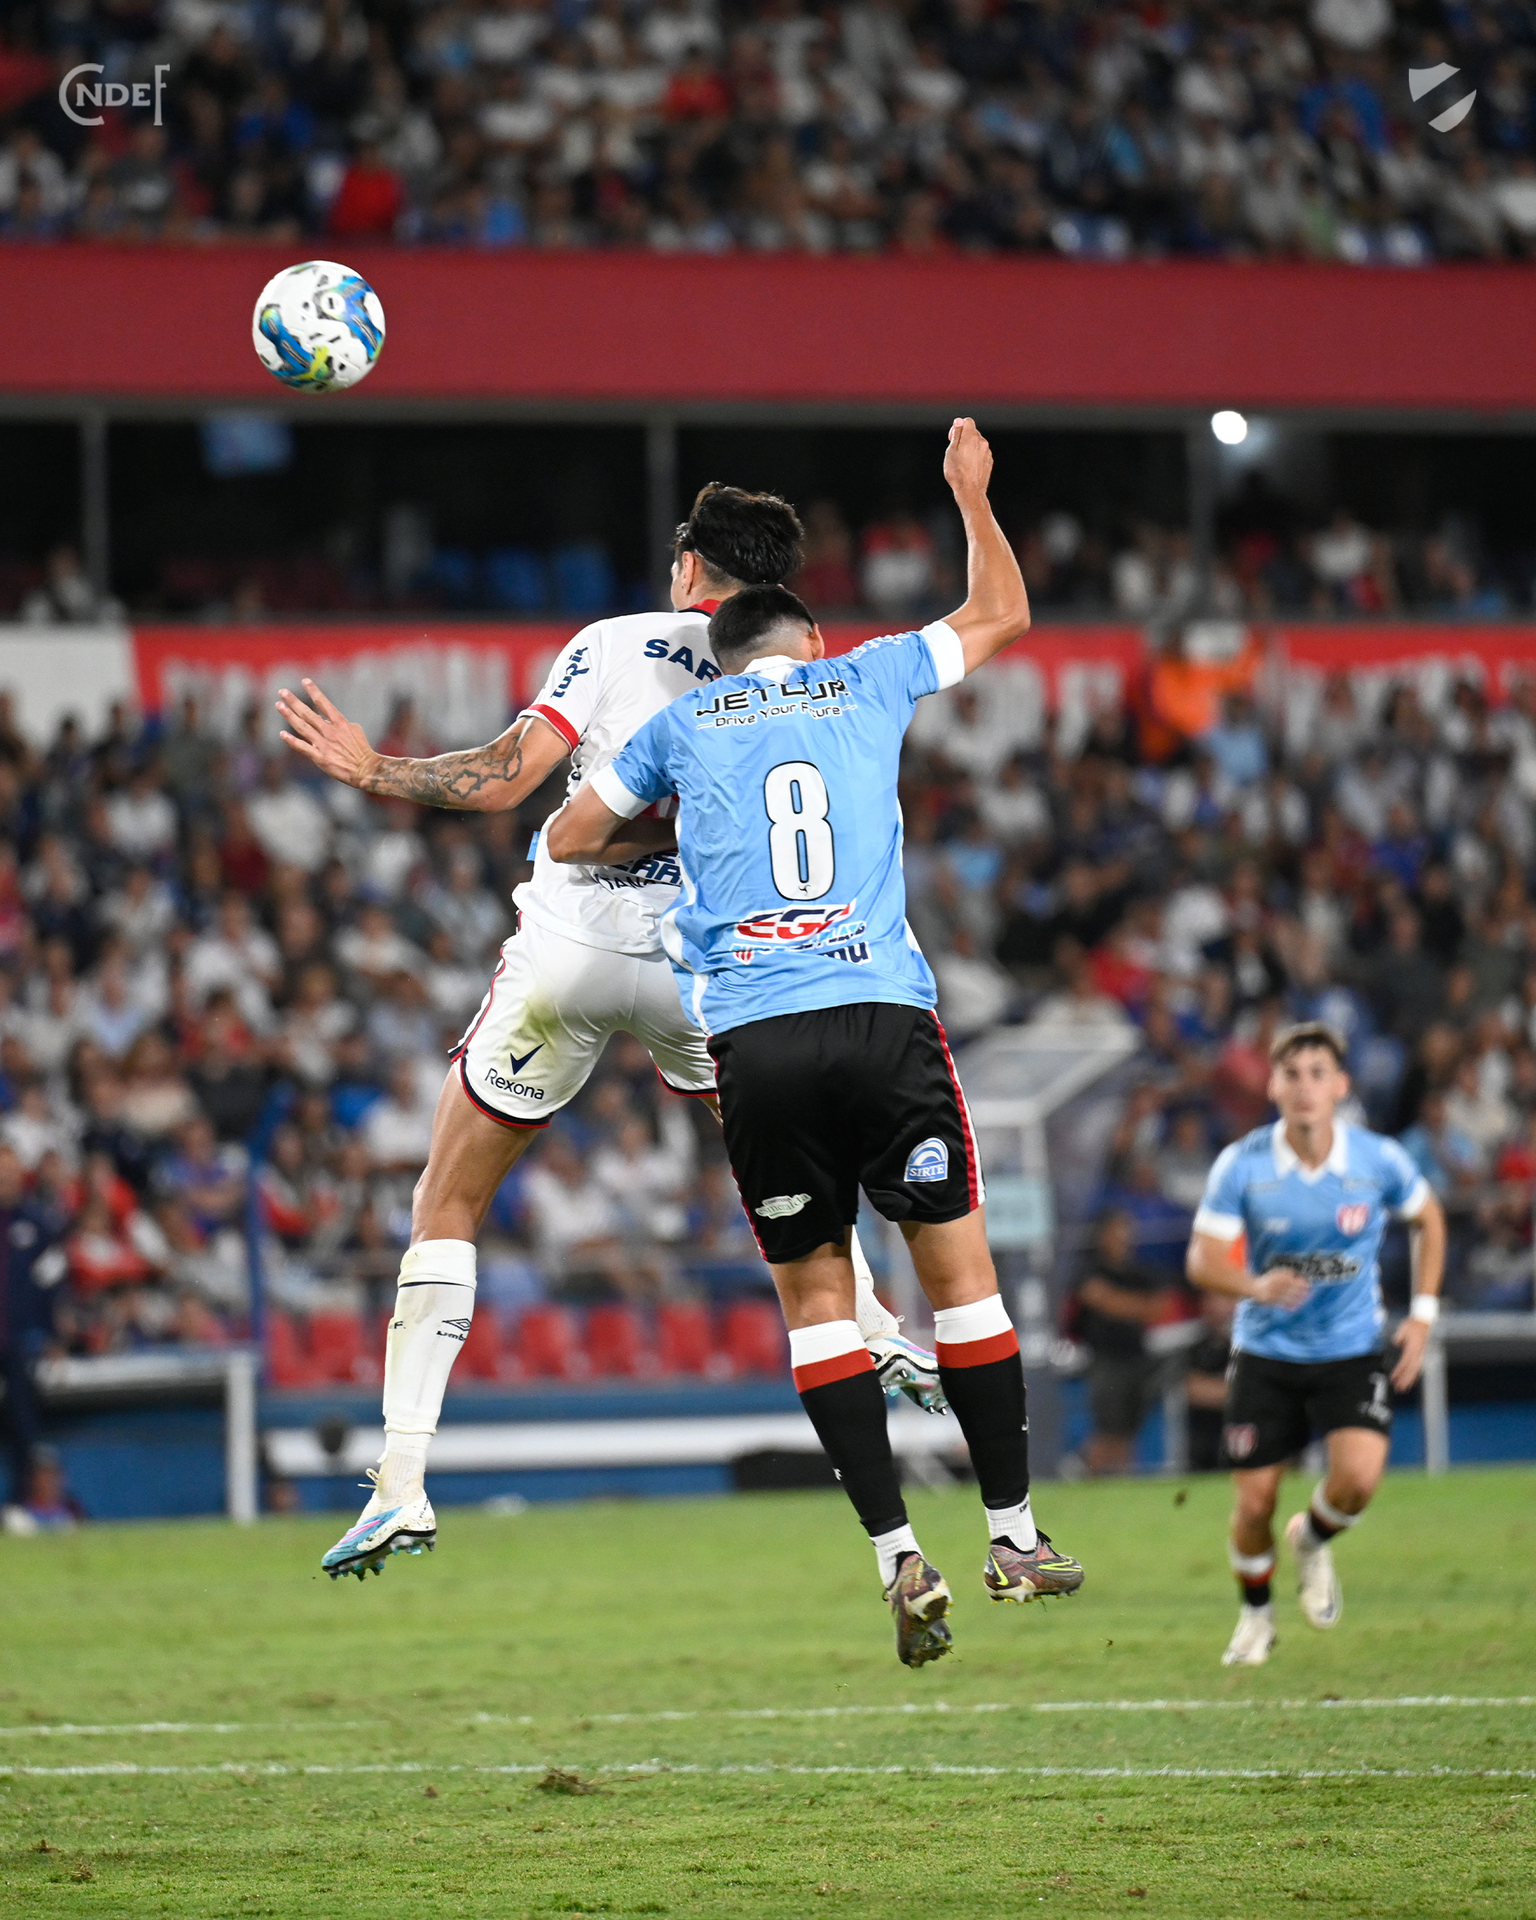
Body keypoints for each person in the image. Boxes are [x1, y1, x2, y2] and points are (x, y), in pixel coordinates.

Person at [275, 482, 940, 1582]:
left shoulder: (616, 642)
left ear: (689, 567)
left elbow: (508, 780)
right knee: (787, 1169)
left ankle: (401, 1478)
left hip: (571, 953)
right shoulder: (815, 683)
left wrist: (375, 768)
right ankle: (872, 1330)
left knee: (448, 1198)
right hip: (702, 966)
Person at [547, 419, 1084, 1667]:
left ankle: (898, 1557)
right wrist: (971, 494)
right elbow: (1003, 611)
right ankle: (1012, 1535)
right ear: (815, 644)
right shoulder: (873, 676)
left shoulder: (685, 728)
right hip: (883, 1017)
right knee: (962, 1285)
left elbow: (570, 838)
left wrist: (690, 834)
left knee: (821, 1308)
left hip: (757, 1039)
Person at [1186, 1021, 1446, 1668]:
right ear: (1272, 1086)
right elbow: (1202, 1260)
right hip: (1266, 1353)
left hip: (1350, 1348)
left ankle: (1311, 1538)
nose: (1305, 1087)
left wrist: (1422, 1315)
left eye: (1318, 1074)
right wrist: (1255, 1285)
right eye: (1292, 1074)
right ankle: (1256, 1616)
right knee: (1254, 1503)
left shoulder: (1377, 1159)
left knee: (1357, 1480)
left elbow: (1429, 1219)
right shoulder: (1242, 1165)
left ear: (1341, 1085)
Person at [1069, 1209, 1177, 1476]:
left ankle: (1119, 1477)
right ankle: (1084, 1472)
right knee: (1108, 1428)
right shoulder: (1090, 1270)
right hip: (1105, 1360)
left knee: (1128, 1430)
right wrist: (1137, 1305)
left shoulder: (1140, 1270)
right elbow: (1101, 1299)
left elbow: (1160, 1306)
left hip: (1136, 1356)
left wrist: (1120, 1303)